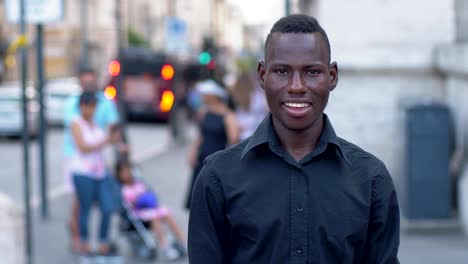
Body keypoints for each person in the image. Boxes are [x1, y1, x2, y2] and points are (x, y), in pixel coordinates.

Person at [189, 14, 400, 263]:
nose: (297, 86)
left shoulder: (371, 179)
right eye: (281, 71)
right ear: (262, 75)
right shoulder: (218, 177)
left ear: (332, 76)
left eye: (312, 71)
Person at [63, 67, 120, 252]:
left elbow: (112, 127)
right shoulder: (76, 121)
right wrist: (106, 141)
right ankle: (80, 239)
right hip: (81, 168)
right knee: (82, 206)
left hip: (99, 170)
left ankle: (102, 241)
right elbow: (83, 146)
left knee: (106, 207)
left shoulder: (97, 120)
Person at [115, 160, 187, 260]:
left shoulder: (139, 183)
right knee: (154, 217)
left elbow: (150, 195)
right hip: (139, 213)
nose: (127, 173)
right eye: (124, 172)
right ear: (119, 175)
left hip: (151, 208)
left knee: (167, 214)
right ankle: (165, 246)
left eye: (129, 170)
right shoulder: (123, 189)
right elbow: (130, 205)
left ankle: (183, 241)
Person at [185, 79, 239, 209]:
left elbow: (234, 139)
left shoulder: (228, 115)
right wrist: (192, 152)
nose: (202, 96)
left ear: (213, 96)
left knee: (213, 196)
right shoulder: (204, 112)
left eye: (205, 93)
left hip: (217, 158)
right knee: (197, 195)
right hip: (202, 157)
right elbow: (200, 135)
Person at [231, 71, 269, 140]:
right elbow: (267, 111)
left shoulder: (238, 96)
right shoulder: (258, 96)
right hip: (257, 133)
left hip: (242, 134)